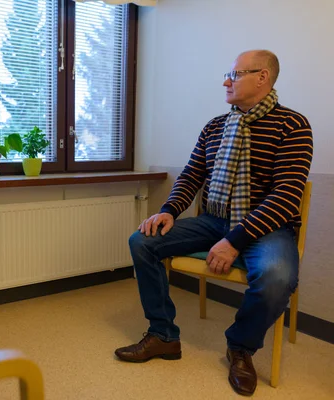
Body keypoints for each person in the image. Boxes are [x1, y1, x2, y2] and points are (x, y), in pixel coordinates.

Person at [115, 50, 313, 396]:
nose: (226, 81)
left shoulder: (293, 125)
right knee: (142, 240)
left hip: (267, 229)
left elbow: (286, 195)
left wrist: (234, 239)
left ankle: (240, 347)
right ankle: (163, 335)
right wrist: (169, 211)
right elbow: (193, 175)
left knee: (277, 278)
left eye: (234, 74)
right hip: (214, 220)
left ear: (262, 77)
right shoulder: (216, 126)